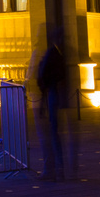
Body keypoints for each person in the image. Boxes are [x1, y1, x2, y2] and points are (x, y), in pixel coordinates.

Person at [35, 42, 65, 181]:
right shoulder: (52, 52)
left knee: (51, 134)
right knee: (52, 133)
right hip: (50, 95)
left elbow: (46, 75)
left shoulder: (51, 53)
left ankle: (54, 169)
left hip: (50, 95)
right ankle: (56, 169)